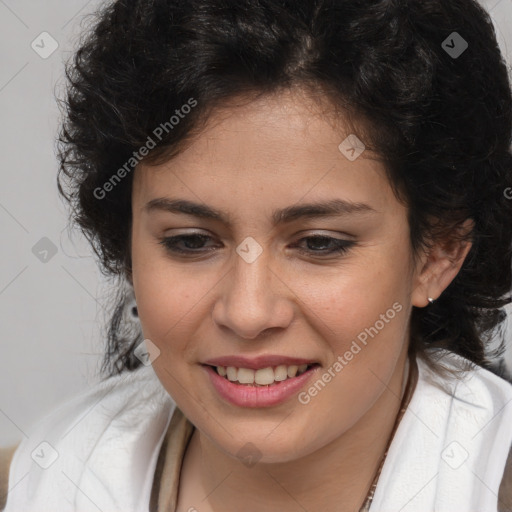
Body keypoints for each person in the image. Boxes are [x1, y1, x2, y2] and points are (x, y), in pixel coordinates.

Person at [2, 0, 512, 510]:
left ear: (437, 255)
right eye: (190, 241)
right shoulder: (47, 479)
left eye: (319, 244)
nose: (248, 313)